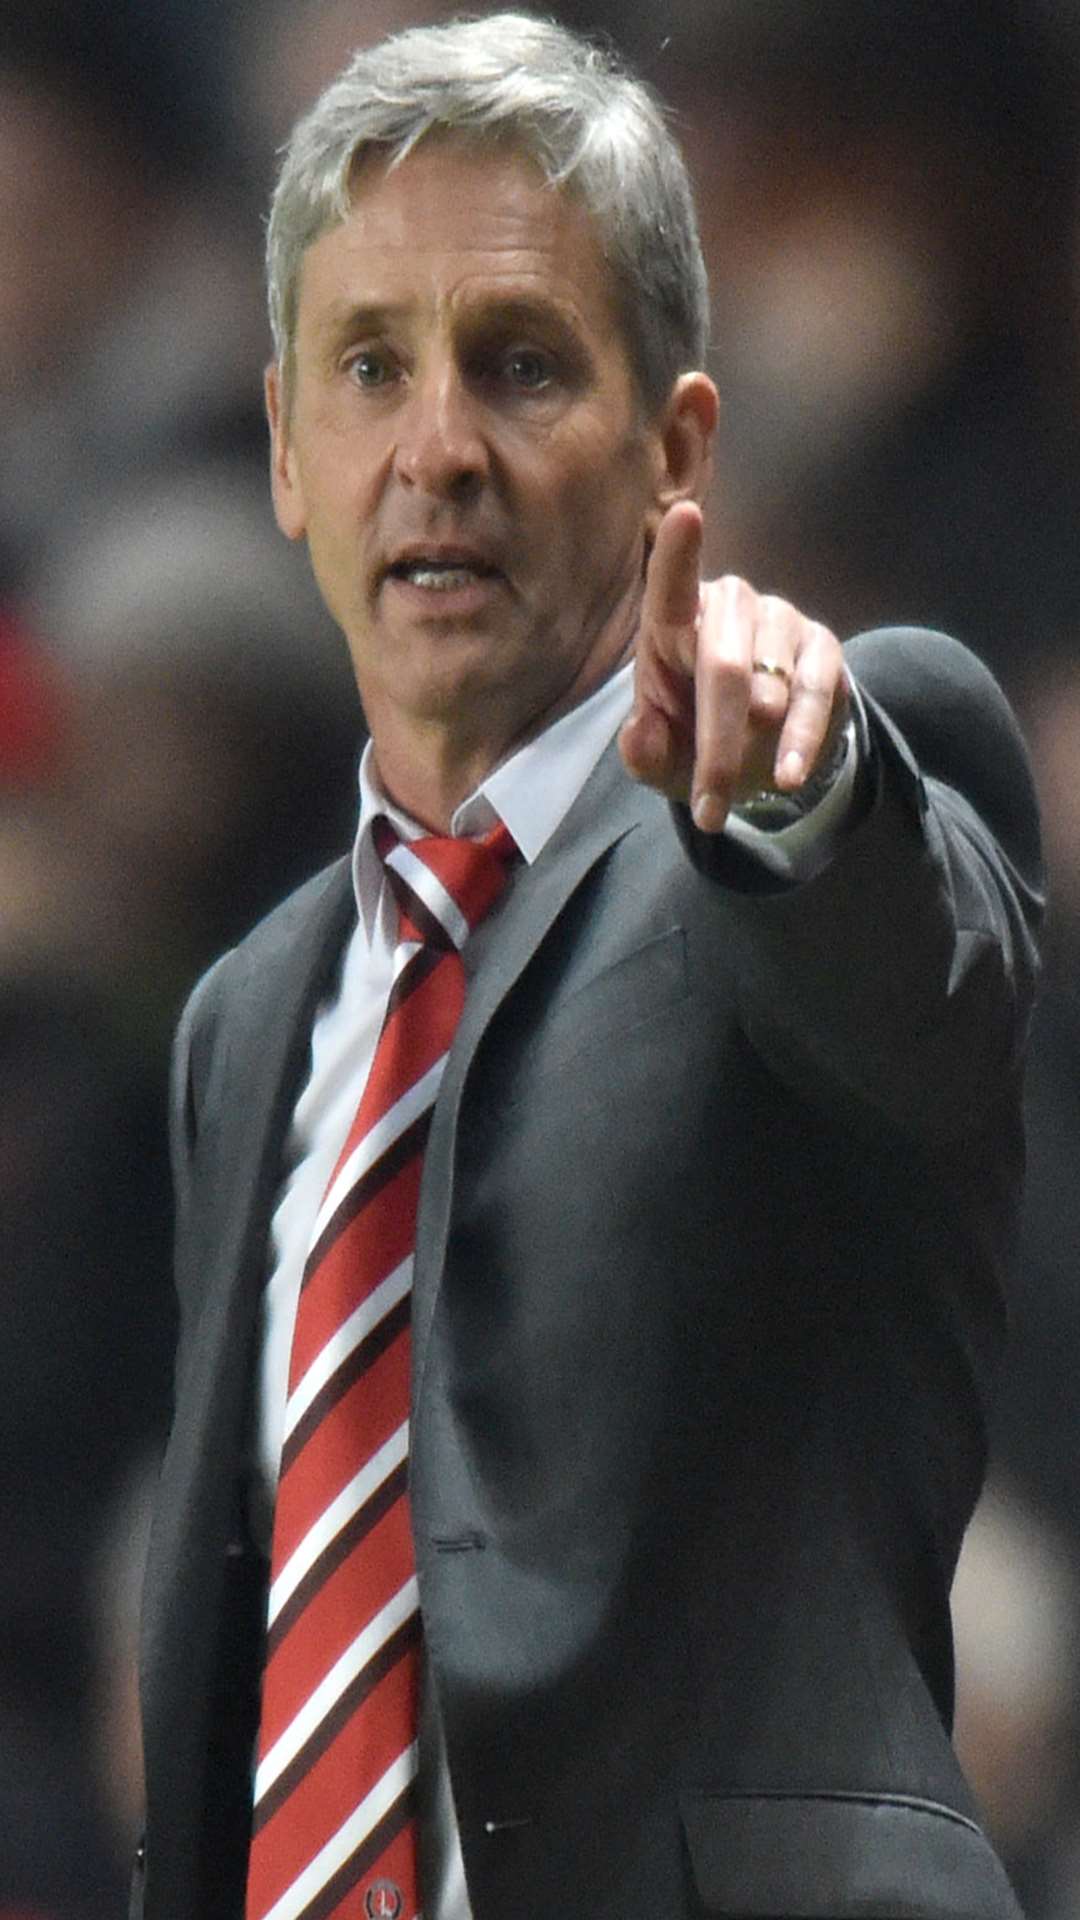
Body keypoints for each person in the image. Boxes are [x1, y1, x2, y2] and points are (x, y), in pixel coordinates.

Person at [134, 15, 1043, 1920]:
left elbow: (913, 991)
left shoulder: (806, 791)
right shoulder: (247, 1021)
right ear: (288, 451)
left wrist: (798, 788)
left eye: (520, 364)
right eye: (369, 369)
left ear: (675, 445)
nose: (438, 445)